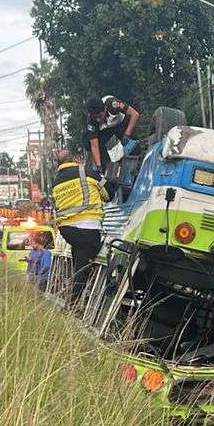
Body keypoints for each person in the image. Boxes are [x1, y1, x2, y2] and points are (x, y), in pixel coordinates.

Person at [51, 145, 106, 303]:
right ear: (75, 159)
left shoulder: (56, 182)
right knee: (84, 266)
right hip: (88, 229)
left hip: (67, 231)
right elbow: (109, 193)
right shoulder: (88, 173)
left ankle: (72, 299)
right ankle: (72, 303)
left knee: (79, 257)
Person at [84, 95, 139, 181]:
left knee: (133, 146)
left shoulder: (112, 104)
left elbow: (135, 114)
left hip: (121, 123)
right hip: (106, 129)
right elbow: (94, 145)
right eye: (95, 118)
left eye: (100, 116)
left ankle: (137, 166)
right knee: (87, 142)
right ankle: (107, 170)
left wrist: (127, 134)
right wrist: (98, 165)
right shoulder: (91, 121)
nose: (98, 120)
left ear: (105, 109)